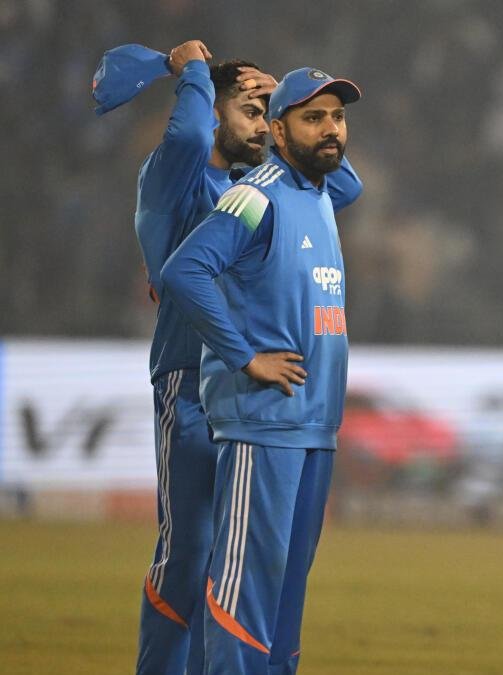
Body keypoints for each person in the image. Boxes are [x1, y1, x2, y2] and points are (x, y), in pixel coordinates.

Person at [104, 39, 363, 675]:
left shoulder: (258, 186)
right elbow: (191, 135)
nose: (261, 124)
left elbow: (343, 183)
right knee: (190, 552)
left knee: (245, 558)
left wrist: (287, 106)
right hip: (190, 376)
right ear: (214, 114)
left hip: (247, 393)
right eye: (248, 112)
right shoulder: (176, 175)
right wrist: (192, 70)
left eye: (265, 115)